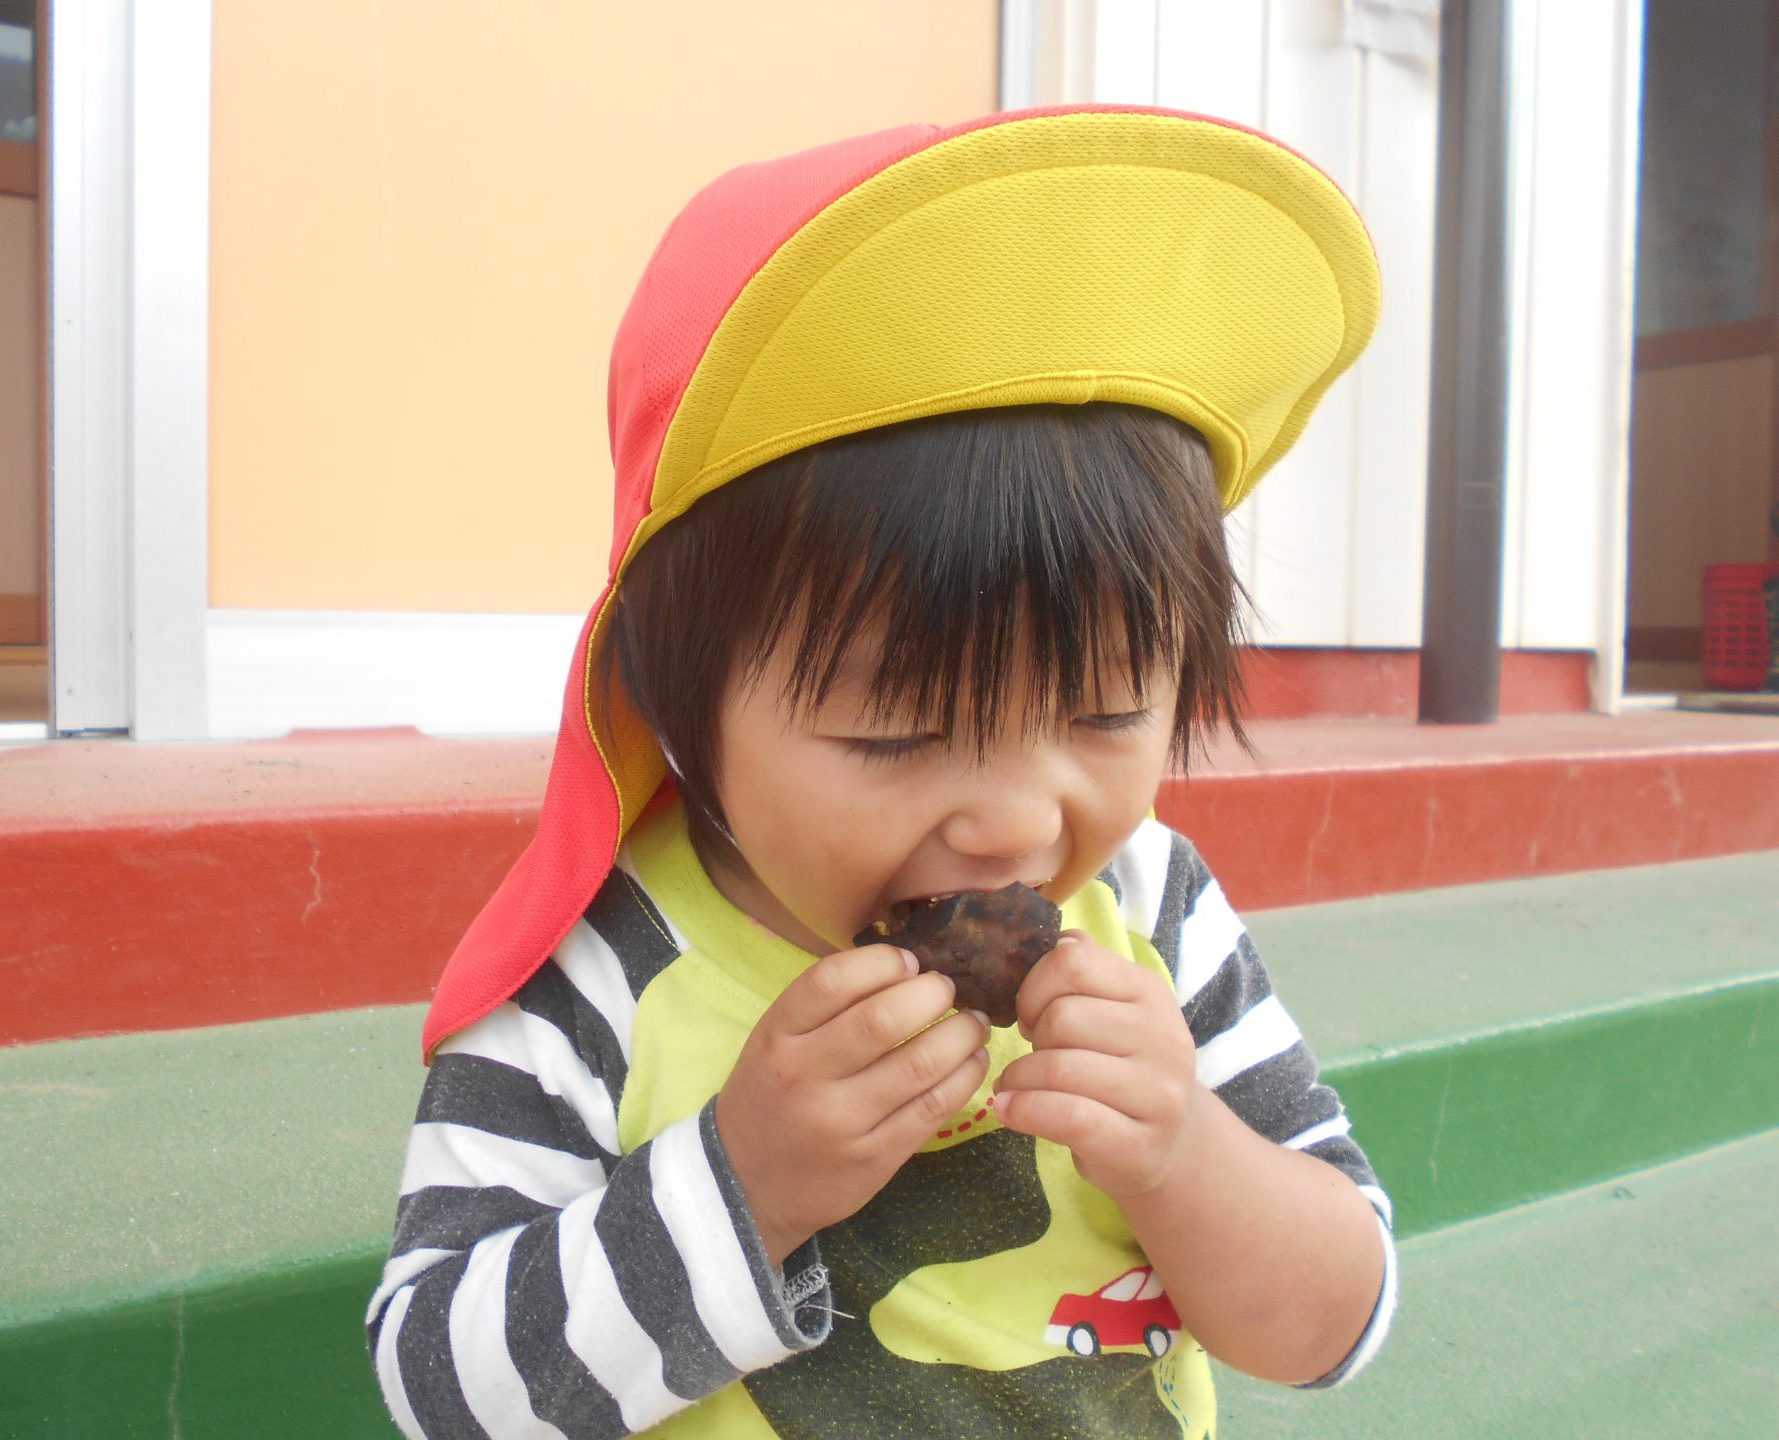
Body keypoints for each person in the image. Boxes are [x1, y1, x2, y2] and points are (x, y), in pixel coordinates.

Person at [368, 105, 1396, 1440]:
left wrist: (1188, 1152)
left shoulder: (1152, 913)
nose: (1016, 823)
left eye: (1104, 713)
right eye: (897, 737)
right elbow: (442, 1393)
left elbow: (1336, 1327)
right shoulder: (599, 975)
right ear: (676, 702)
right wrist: (744, 1186)